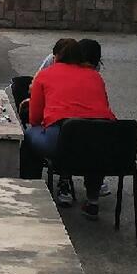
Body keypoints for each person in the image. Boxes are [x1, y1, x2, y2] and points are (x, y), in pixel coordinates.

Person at [21, 40, 116, 219]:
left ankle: (32, 195)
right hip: (103, 144)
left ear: (55, 57)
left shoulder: (46, 74)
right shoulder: (95, 77)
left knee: (29, 137)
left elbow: (34, 119)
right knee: (92, 137)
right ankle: (93, 201)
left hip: (63, 143)